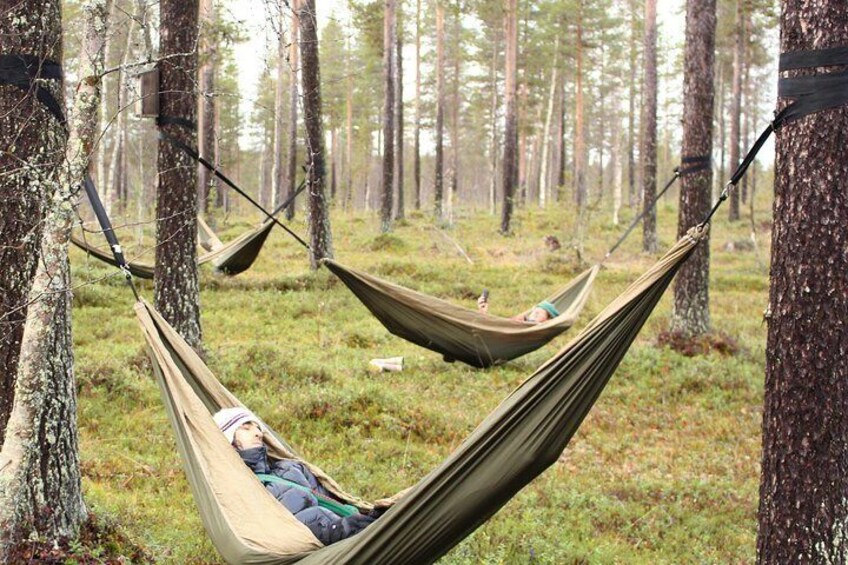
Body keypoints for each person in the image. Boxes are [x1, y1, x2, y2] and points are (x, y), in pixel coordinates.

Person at [213, 407, 376, 545]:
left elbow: (330, 501)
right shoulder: (237, 486)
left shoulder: (290, 466)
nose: (257, 433)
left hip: (341, 533)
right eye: (246, 428)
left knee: (382, 517)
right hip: (304, 545)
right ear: (229, 439)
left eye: (257, 428)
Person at [476, 292, 559, 324]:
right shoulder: (520, 320)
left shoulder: (540, 328)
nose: (535, 314)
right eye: (535, 311)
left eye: (540, 313)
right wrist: (482, 312)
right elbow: (500, 325)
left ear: (547, 319)